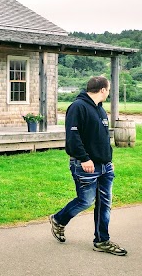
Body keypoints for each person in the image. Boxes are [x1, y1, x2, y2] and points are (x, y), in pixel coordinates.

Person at [49, 76, 127, 255]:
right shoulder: (78, 107)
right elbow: (73, 138)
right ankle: (58, 219)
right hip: (86, 165)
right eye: (108, 89)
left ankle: (102, 240)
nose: (108, 92)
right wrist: (84, 159)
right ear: (102, 90)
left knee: (104, 204)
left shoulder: (100, 109)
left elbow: (102, 139)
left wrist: (109, 161)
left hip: (104, 166)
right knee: (85, 200)